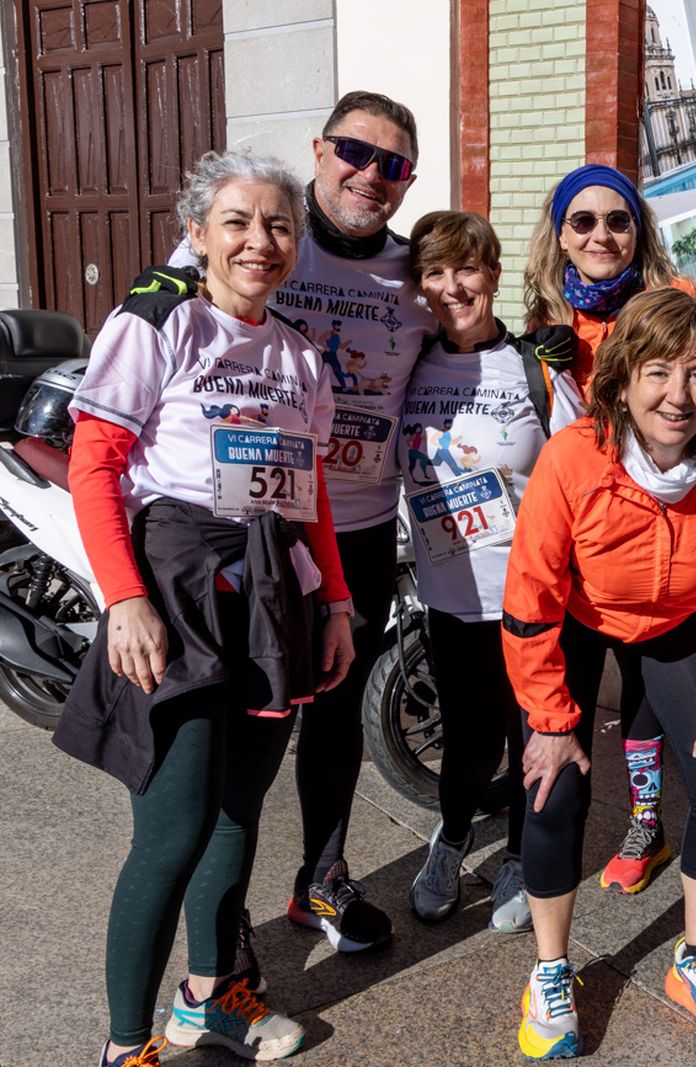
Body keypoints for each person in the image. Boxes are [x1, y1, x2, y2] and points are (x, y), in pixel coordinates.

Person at [55, 151, 355, 1066]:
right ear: (197, 234)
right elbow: (95, 463)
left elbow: (312, 495)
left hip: (273, 596)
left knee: (237, 815)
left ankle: (207, 993)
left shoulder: (301, 353)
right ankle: (126, 1043)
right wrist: (125, 599)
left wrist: (336, 600)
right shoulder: (158, 322)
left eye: (276, 226)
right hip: (178, 593)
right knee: (173, 829)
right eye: (237, 222)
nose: (258, 241)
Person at [166, 91, 437, 955]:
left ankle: (320, 879)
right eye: (357, 153)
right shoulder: (259, 236)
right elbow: (172, 295)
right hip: (239, 533)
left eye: (393, 166)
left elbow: (465, 320)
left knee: (333, 716)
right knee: (242, 731)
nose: (372, 175)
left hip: (348, 526)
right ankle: (219, 928)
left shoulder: (410, 272)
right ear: (321, 149)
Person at [501, 287, 696, 1058]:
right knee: (554, 790)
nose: (678, 396)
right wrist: (553, 722)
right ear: (620, 379)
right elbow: (529, 602)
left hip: (680, 621)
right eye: (658, 372)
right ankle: (550, 971)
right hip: (579, 619)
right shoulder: (572, 458)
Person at [523, 164, 696, 923]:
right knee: (572, 739)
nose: (601, 235)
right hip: (580, 556)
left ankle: (673, 838)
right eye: (582, 221)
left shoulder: (683, 302)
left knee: (661, 703)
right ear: (560, 233)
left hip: (676, 542)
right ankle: (642, 828)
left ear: (639, 230)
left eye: (617, 220)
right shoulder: (547, 321)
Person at [399, 211, 581, 933]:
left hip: (529, 598)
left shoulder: (535, 368)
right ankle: (451, 836)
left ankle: (517, 855)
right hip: (448, 598)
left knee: (526, 732)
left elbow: (575, 470)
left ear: (494, 275)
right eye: (436, 273)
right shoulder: (409, 364)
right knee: (467, 743)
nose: (452, 286)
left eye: (467, 269)